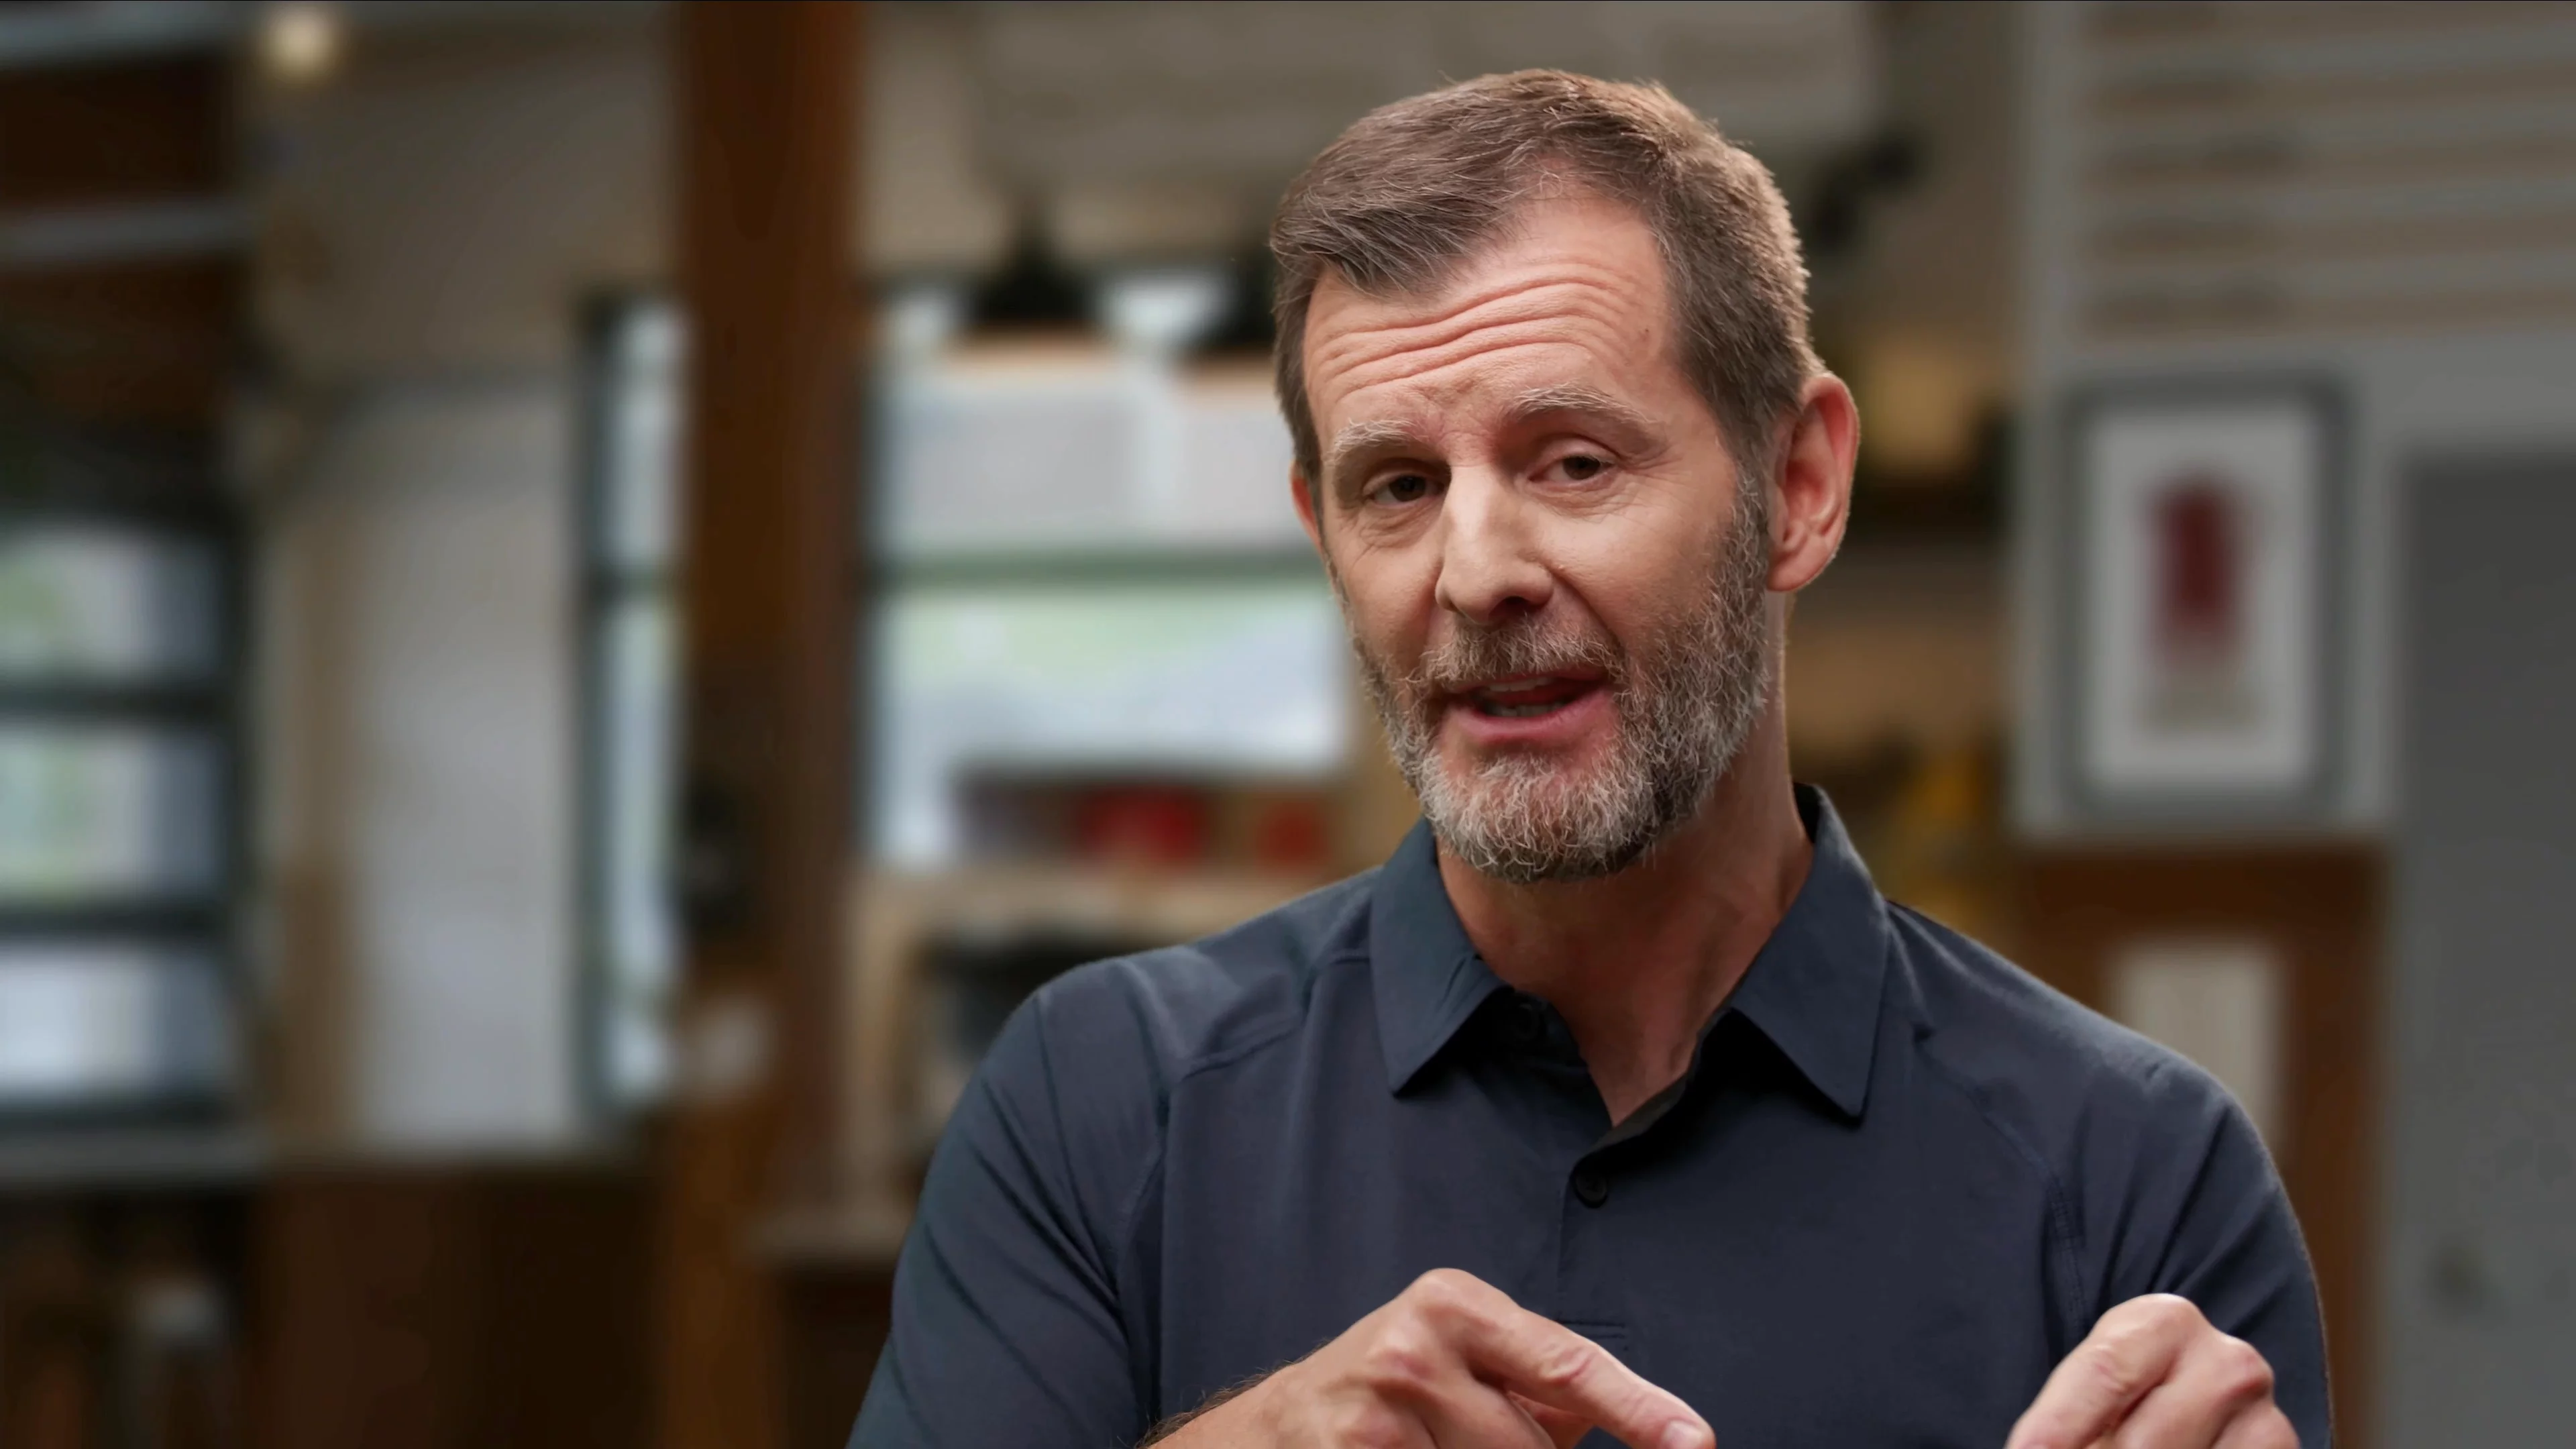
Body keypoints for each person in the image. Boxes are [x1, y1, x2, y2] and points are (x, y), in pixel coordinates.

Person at [851, 72, 2322, 1449]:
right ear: (1324, 536)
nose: (1475, 571)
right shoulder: (1100, 1108)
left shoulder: (2136, 1179)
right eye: (1399, 486)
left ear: (1799, 486)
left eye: (1572, 462)